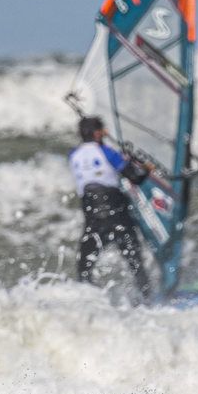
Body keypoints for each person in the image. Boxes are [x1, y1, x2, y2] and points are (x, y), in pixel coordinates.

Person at [69, 116, 153, 297]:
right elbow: (135, 178)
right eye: (103, 130)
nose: (106, 133)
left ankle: (90, 303)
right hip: (117, 216)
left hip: (93, 220)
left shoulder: (73, 155)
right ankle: (149, 301)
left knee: (84, 268)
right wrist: (147, 169)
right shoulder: (108, 153)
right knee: (135, 263)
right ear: (97, 133)